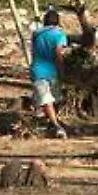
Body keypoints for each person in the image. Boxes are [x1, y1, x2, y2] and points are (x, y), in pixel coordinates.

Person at [29, 9, 70, 138]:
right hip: (52, 70)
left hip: (38, 69)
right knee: (51, 99)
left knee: (48, 100)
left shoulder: (36, 34)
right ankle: (56, 126)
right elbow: (59, 53)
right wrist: (62, 70)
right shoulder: (59, 34)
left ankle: (53, 123)